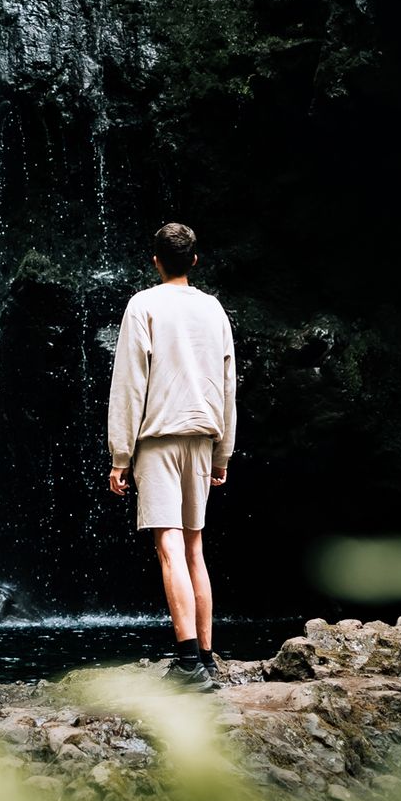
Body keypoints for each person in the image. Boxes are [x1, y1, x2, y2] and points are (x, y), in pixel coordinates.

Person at [106, 221, 237, 692]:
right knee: (195, 547)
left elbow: (129, 383)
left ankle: (187, 665)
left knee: (169, 547)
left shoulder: (144, 305)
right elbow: (227, 387)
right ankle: (205, 656)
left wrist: (121, 456)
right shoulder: (214, 309)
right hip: (203, 437)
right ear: (195, 260)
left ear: (156, 260)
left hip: (159, 438)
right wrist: (223, 453)